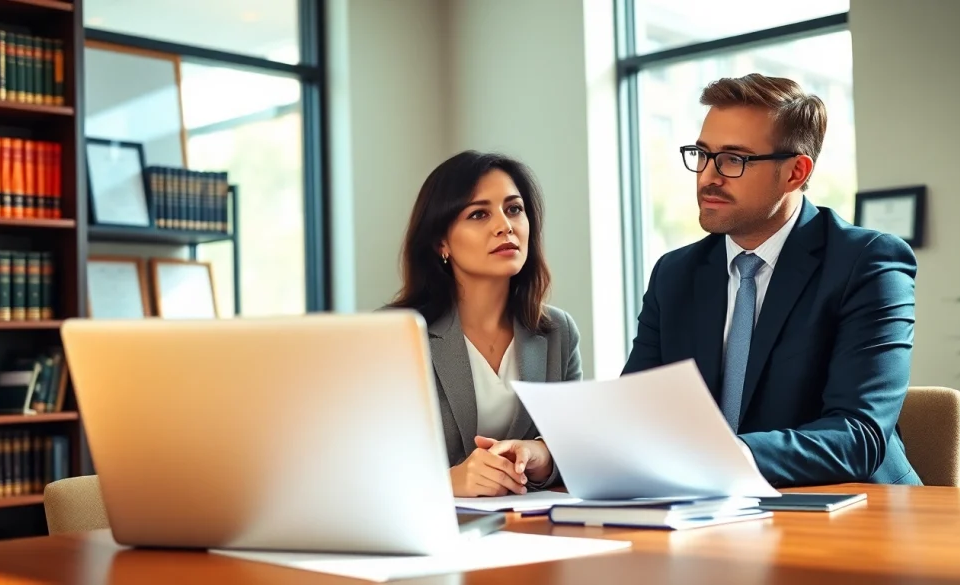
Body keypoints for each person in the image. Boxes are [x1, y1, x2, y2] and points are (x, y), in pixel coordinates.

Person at [623, 73, 922, 487]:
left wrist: (728, 456)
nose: (709, 176)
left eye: (733, 159)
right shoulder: (674, 274)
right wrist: (546, 453)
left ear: (795, 172)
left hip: (851, 511)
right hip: (710, 510)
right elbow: (633, 411)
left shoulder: (867, 262)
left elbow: (859, 435)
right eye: (702, 154)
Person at [387, 150, 582, 497]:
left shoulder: (558, 332)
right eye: (479, 214)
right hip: (430, 535)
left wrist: (542, 455)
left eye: (514, 209)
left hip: (531, 530)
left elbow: (576, 447)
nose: (504, 226)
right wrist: (448, 483)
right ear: (441, 242)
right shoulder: (394, 336)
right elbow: (368, 466)